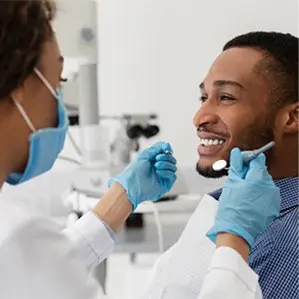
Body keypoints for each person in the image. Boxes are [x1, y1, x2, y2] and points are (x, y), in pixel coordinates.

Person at [0, 1, 281, 299]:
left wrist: (121, 198)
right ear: (19, 84)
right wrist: (234, 242)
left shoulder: (21, 248)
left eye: (226, 97)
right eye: (59, 81)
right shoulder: (18, 242)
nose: (200, 118)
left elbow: (38, 273)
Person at [144, 31, 298, 299]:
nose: (199, 117)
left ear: (292, 118)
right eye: (204, 98)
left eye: (226, 97)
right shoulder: (235, 212)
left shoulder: (284, 244)